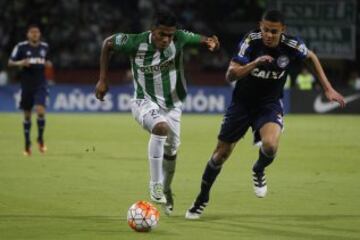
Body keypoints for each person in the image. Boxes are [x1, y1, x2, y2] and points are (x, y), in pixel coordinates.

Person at [185, 10, 345, 220]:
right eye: (265, 29)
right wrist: (254, 63)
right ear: (260, 26)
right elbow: (230, 74)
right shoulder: (251, 41)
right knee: (220, 155)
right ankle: (201, 199)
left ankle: (258, 170)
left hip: (269, 104)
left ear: (282, 30)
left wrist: (327, 88)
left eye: (274, 31)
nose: (268, 35)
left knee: (270, 145)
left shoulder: (292, 45)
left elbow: (311, 57)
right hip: (241, 104)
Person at [95, 9, 219, 215]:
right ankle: (155, 184)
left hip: (173, 106)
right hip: (143, 101)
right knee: (160, 128)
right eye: (162, 34)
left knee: (171, 151)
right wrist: (102, 79)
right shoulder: (134, 42)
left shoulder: (180, 38)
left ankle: (167, 189)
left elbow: (206, 40)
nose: (166, 39)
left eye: (170, 35)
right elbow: (108, 43)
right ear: (152, 30)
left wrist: (212, 42)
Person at [8, 24, 51, 156]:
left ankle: (40, 138)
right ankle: (27, 143)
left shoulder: (45, 47)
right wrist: (20, 63)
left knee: (40, 110)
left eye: (37, 32)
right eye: (32, 32)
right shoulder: (21, 47)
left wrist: (48, 64)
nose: (35, 34)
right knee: (27, 115)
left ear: (39, 34)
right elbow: (10, 62)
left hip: (40, 85)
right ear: (28, 34)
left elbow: (48, 62)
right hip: (27, 85)